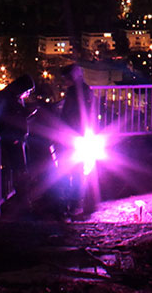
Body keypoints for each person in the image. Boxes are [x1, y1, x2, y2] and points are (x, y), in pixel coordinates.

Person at [57, 64, 99, 218]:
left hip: (75, 136)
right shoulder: (81, 91)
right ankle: (77, 203)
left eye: (67, 78)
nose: (65, 81)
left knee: (76, 171)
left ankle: (76, 204)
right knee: (77, 170)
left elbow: (76, 115)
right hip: (76, 135)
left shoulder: (78, 92)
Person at [0, 75, 34, 211]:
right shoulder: (8, 98)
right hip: (13, 139)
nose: (27, 94)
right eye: (27, 91)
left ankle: (22, 198)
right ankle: (23, 200)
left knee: (20, 169)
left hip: (17, 138)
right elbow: (8, 117)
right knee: (19, 169)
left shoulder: (10, 96)